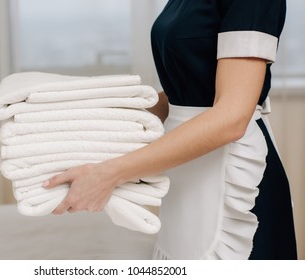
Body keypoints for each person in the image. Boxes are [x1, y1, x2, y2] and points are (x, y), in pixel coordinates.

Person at [43, 0, 297, 260]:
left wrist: (107, 175)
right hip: (185, 172)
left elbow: (231, 118)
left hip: (235, 176)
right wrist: (99, 120)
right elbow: (186, 94)